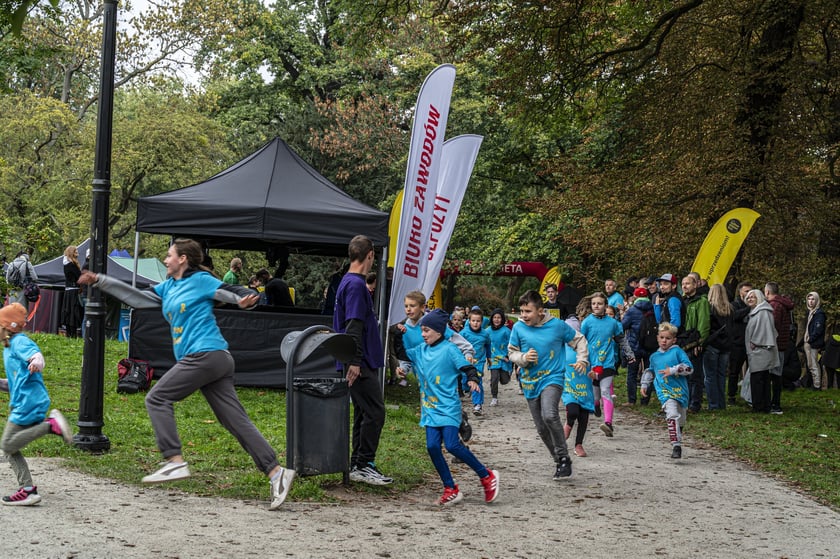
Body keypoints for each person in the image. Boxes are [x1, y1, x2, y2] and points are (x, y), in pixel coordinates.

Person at [77, 239, 296, 509]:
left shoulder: (201, 280)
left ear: (183, 259)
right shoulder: (167, 287)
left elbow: (231, 292)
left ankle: (174, 461)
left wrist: (244, 300)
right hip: (214, 361)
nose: (165, 260)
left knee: (156, 398)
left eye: (169, 256)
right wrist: (100, 280)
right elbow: (137, 298)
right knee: (235, 421)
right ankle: (277, 473)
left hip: (206, 355)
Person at [406, 309, 500, 506]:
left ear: (439, 331)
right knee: (432, 446)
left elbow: (467, 367)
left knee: (452, 445)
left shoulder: (450, 349)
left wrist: (473, 379)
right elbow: (403, 353)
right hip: (430, 408)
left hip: (448, 407)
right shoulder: (421, 350)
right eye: (422, 330)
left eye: (426, 331)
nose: (423, 334)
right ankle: (450, 488)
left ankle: (486, 475)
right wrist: (397, 333)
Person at [508, 289, 589, 480]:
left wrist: (582, 359)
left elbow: (579, 340)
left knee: (550, 415)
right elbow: (511, 352)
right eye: (522, 311)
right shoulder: (518, 328)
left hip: (553, 377)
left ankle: (562, 457)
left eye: (528, 311)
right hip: (529, 381)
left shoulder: (557, 326)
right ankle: (561, 460)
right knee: (541, 427)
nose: (523, 315)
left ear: (541, 311)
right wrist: (523, 358)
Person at [332, 235, 392, 486]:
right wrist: (355, 362)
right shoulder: (356, 286)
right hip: (360, 361)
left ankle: (357, 462)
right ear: (370, 255)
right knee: (376, 412)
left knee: (363, 412)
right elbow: (353, 326)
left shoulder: (346, 281)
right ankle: (364, 463)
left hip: (355, 359)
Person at [0, 303, 74, 506]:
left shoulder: (19, 342)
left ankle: (50, 426)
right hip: (25, 401)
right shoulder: (8, 347)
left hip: (29, 403)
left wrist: (37, 362)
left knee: (7, 445)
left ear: (8, 327)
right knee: (9, 447)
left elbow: (36, 355)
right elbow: (15, 382)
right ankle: (27, 490)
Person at [580, 292, 634, 438]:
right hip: (592, 363)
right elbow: (580, 341)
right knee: (595, 395)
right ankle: (596, 405)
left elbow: (622, 340)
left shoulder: (613, 323)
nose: (596, 306)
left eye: (599, 303)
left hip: (607, 363)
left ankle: (608, 423)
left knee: (605, 391)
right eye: (594, 304)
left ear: (605, 305)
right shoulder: (586, 322)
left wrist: (629, 354)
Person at [640, 322, 693, 459]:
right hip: (664, 391)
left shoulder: (678, 352)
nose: (664, 341)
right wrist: (645, 384)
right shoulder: (654, 357)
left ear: (674, 340)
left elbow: (689, 368)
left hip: (681, 392)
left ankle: (678, 433)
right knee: (672, 414)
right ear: (657, 338)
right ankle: (676, 445)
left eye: (668, 338)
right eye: (662, 337)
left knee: (681, 419)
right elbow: (651, 371)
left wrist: (674, 370)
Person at [561, 314, 596, 457]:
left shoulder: (587, 348)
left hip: (585, 389)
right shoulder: (561, 348)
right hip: (569, 388)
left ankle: (578, 445)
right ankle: (567, 427)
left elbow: (596, 364)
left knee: (583, 418)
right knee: (573, 411)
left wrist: (595, 373)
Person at [744, 289, 779, 414]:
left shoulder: (763, 312)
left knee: (759, 379)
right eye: (748, 297)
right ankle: (762, 405)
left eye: (752, 297)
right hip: (758, 351)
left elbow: (765, 330)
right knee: (761, 378)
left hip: (761, 350)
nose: (750, 299)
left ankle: (760, 406)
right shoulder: (756, 311)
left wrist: (755, 342)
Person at [622, 287, 656, 405]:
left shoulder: (632, 310)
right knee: (648, 373)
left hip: (634, 346)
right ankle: (645, 400)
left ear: (635, 297)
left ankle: (632, 400)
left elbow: (623, 326)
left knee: (632, 373)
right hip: (650, 346)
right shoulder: (653, 308)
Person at [682, 274, 710, 413]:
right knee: (683, 374)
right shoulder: (682, 301)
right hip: (683, 341)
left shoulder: (701, 301)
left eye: (688, 283)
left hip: (695, 342)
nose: (685, 286)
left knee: (695, 375)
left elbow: (703, 324)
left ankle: (695, 404)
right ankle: (684, 402)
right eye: (683, 283)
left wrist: (700, 342)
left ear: (695, 285)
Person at [764, 282, 793, 412]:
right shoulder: (782, 304)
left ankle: (775, 404)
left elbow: (773, 326)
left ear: (767, 292)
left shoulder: (774, 306)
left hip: (775, 344)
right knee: (777, 374)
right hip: (781, 344)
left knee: (775, 375)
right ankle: (775, 402)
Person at [703, 284, 733, 410]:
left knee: (710, 376)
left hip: (713, 344)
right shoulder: (730, 308)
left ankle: (713, 404)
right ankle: (721, 403)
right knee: (721, 376)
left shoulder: (709, 308)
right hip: (726, 346)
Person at [460, 307, 491, 415]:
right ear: (469, 321)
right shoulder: (463, 333)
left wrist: (489, 357)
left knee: (477, 381)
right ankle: (467, 389)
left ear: (482, 322)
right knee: (465, 382)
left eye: (478, 321)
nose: (475, 323)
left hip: (479, 362)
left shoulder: (485, 334)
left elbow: (488, 345)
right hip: (465, 362)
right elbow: (457, 347)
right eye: (473, 320)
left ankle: (478, 405)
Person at [727, 282, 752, 405]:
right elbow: (734, 316)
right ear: (740, 292)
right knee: (734, 371)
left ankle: (749, 394)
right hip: (738, 342)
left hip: (751, 342)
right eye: (746, 291)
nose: (749, 294)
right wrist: (748, 308)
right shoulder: (734, 305)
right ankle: (731, 395)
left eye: (750, 291)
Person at [486, 308, 512, 406]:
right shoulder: (487, 331)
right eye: (495, 317)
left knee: (505, 380)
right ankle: (494, 397)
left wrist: (509, 356)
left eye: (499, 317)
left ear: (502, 319)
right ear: (492, 319)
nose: (496, 319)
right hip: (493, 358)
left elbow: (512, 343)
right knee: (494, 377)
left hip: (505, 358)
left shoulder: (506, 331)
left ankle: (507, 373)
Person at [802, 291, 826, 390]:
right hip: (809, 342)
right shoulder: (811, 312)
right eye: (809, 299)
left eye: (813, 299)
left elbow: (818, 330)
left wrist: (810, 340)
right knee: (810, 364)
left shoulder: (819, 313)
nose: (811, 301)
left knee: (814, 364)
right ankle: (812, 383)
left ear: (817, 300)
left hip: (813, 343)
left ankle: (817, 386)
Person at [61, 245, 84, 338]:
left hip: (69, 290)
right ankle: (72, 334)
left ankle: (69, 333)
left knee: (68, 312)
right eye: (75, 251)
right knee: (73, 312)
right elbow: (79, 277)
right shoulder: (71, 265)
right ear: (72, 253)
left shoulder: (66, 264)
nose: (77, 253)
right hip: (73, 291)